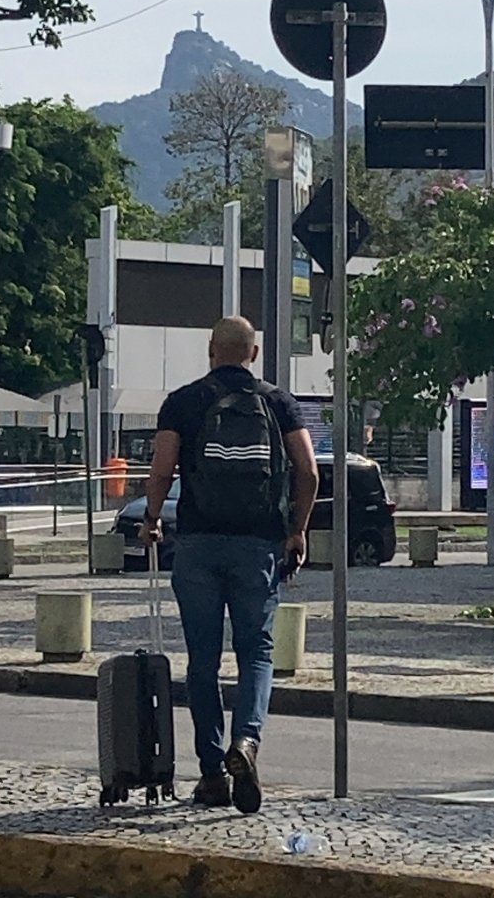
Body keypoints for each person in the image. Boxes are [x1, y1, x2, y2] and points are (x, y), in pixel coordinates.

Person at [141, 316, 319, 814]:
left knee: (202, 660)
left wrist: (152, 519)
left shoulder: (183, 401)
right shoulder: (278, 402)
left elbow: (162, 470)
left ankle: (211, 773)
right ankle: (247, 740)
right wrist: (297, 529)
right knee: (256, 652)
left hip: (198, 544)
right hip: (258, 545)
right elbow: (308, 471)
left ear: (210, 349)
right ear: (254, 353)